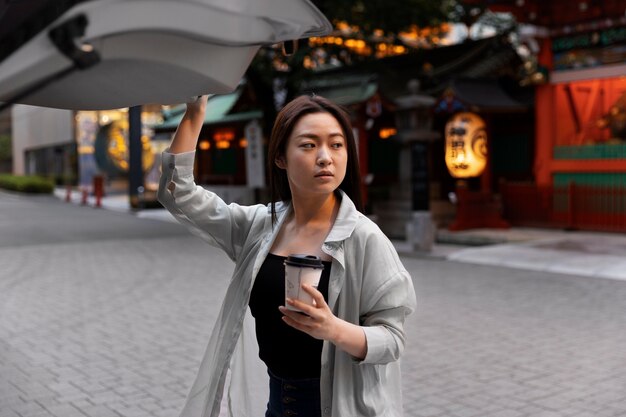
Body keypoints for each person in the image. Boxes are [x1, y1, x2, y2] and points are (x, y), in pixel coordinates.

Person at [158, 94, 417, 417]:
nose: (325, 157)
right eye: (309, 145)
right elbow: (177, 193)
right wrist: (195, 113)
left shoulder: (364, 238)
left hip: (336, 405)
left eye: (336, 145)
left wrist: (331, 328)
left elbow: (392, 340)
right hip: (278, 402)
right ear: (280, 157)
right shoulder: (259, 226)